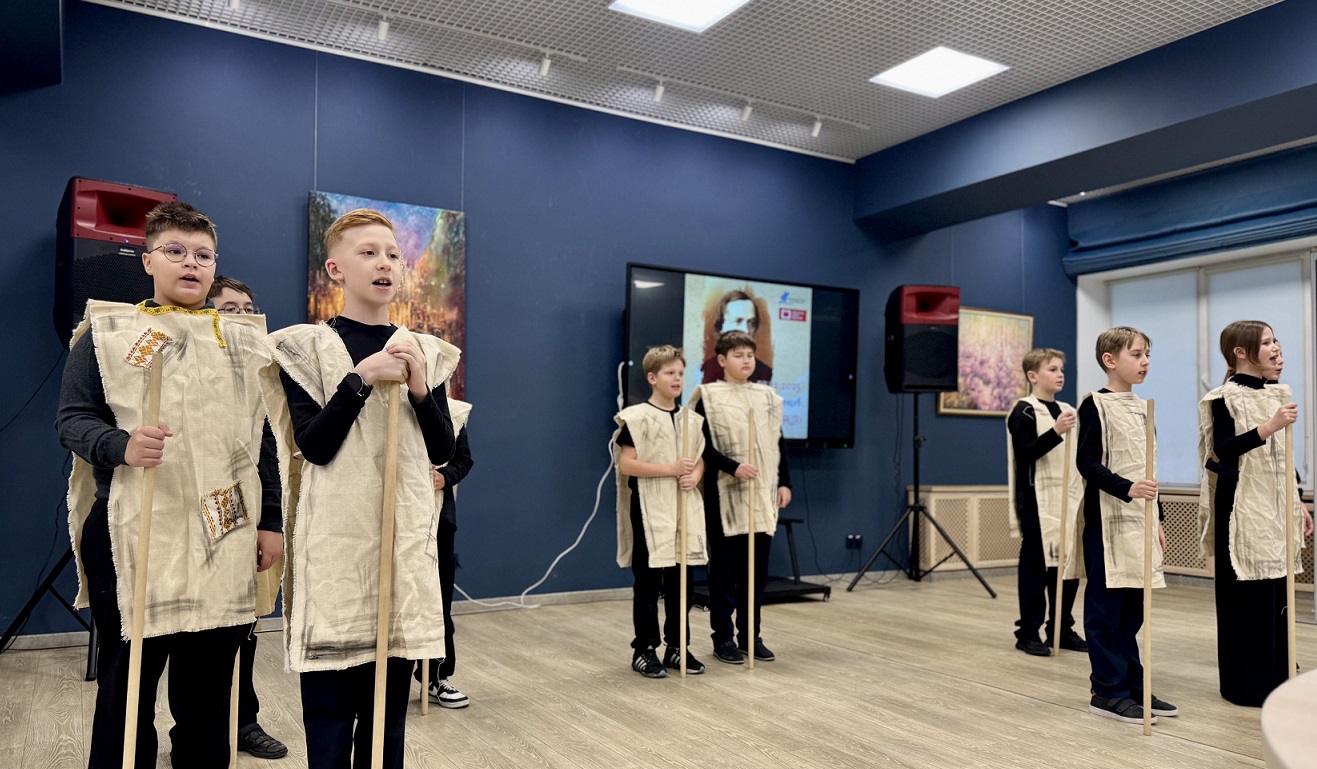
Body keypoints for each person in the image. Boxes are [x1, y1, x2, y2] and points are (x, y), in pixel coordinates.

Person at [56, 201, 280, 768]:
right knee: (127, 685)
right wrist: (121, 445)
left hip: (221, 529)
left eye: (203, 255)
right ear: (148, 260)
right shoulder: (109, 334)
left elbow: (264, 437)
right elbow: (72, 419)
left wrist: (272, 520)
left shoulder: (245, 343)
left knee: (208, 691)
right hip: (133, 528)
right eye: (175, 251)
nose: (191, 263)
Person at [262, 208, 459, 769]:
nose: (384, 264)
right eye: (368, 253)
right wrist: (361, 379)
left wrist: (420, 390)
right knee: (329, 714)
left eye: (393, 254)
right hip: (336, 545)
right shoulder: (304, 348)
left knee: (386, 717)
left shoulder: (424, 350)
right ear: (336, 269)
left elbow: (442, 449)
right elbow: (315, 447)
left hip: (401, 546)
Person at [1197, 320, 1313, 706]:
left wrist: (1297, 501)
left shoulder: (1277, 393)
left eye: (1275, 339)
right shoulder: (1223, 397)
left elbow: (1283, 459)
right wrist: (1269, 426)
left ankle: (1279, 675)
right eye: (1266, 342)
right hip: (1242, 507)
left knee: (1276, 595)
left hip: (1275, 507)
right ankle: (1247, 684)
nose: (1276, 347)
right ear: (1241, 352)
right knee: (1248, 599)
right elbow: (1224, 448)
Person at [1076, 326, 1175, 725]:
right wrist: (1126, 488)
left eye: (1147, 354)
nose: (1145, 361)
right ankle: (1106, 690)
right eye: (1136, 354)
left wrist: (1160, 517)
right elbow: (1087, 462)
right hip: (1107, 522)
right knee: (1106, 611)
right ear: (1110, 360)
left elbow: (1150, 468)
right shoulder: (1094, 405)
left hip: (1141, 521)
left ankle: (1133, 684)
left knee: (1133, 612)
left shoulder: (1143, 407)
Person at [207, 274, 288, 759]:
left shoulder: (259, 371)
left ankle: (242, 720)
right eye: (229, 309)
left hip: (238, 506)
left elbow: (269, 451)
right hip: (185, 504)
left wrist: (270, 521)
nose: (241, 317)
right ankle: (194, 733)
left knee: (241, 622)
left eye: (248, 309)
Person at [692, 330, 790, 664]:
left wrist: (784, 482)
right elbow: (702, 446)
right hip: (725, 495)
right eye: (738, 355)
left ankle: (751, 636)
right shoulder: (708, 396)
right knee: (724, 574)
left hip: (761, 494)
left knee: (755, 574)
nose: (746, 361)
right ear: (722, 360)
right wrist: (733, 467)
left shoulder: (767, 397)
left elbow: (778, 443)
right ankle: (722, 638)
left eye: (750, 355)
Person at [614, 345, 708, 677]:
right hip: (649, 507)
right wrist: (670, 469)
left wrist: (694, 476)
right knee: (649, 583)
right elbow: (627, 464)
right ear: (653, 378)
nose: (677, 378)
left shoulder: (691, 420)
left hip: (683, 507)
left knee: (683, 582)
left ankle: (678, 647)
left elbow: (698, 460)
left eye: (680, 373)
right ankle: (644, 649)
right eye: (670, 373)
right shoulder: (637, 418)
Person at [1005, 348, 1085, 656]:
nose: (1060, 374)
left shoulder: (1067, 409)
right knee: (1036, 568)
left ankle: (1061, 628)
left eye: (1061, 369)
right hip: (1036, 500)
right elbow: (1026, 453)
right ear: (1033, 376)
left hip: (1068, 498)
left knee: (1066, 564)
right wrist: (1056, 431)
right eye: (1052, 369)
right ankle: (1028, 631)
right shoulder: (1024, 411)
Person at [414, 397, 474, 707]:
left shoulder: (454, 412)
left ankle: (436, 676)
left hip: (439, 520)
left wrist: (445, 476)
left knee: (438, 602)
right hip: (395, 520)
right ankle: (374, 687)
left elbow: (464, 459)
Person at [701, 290, 772, 384]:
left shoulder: (765, 374)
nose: (746, 330)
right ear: (721, 326)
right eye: (738, 321)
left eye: (751, 323)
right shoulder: (704, 371)